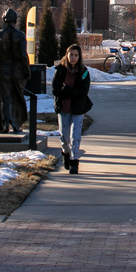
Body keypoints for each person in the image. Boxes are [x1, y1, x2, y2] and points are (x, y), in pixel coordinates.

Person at [0, 8, 31, 133]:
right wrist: (27, 69)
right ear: (15, 20)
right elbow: (24, 54)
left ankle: (6, 123)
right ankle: (14, 123)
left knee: (5, 98)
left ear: (3, 19)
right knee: (16, 96)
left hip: (1, 70)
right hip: (16, 70)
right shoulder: (20, 35)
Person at [52, 44, 92, 174]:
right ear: (67, 55)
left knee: (75, 136)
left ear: (79, 57)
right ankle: (65, 153)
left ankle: (74, 161)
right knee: (64, 137)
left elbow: (83, 91)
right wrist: (70, 92)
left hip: (77, 108)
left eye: (76, 55)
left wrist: (67, 90)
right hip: (63, 108)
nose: (73, 57)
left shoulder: (84, 72)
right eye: (71, 55)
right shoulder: (60, 70)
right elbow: (56, 90)